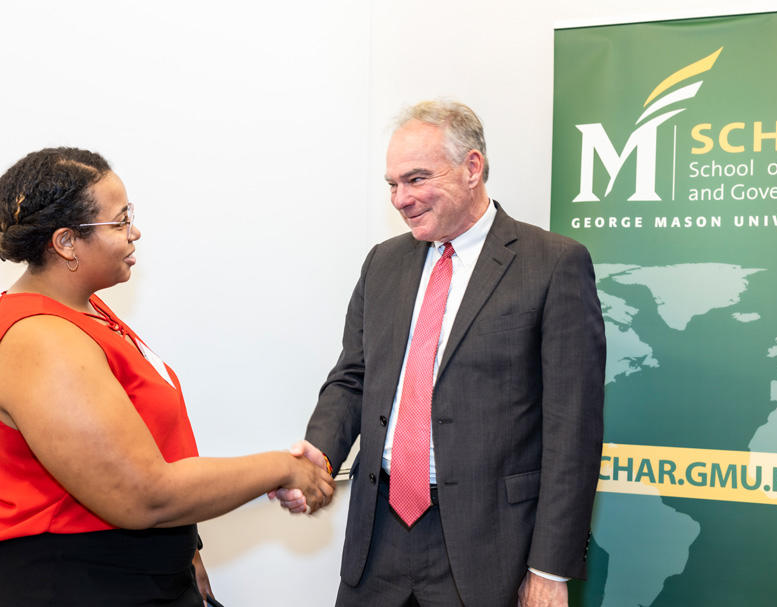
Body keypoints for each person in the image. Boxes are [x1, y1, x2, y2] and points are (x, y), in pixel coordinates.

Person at [278, 100, 605, 606]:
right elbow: (353, 377)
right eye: (392, 184)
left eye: (416, 179)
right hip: (376, 539)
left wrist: (550, 568)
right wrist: (318, 456)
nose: (401, 199)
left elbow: (573, 429)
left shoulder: (553, 264)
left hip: (490, 546)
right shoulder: (383, 263)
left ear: (472, 168)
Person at [0, 148, 334, 606]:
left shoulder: (88, 311)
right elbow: (142, 495)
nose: (134, 232)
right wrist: (281, 467)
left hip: (142, 571)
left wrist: (186, 551)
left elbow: (147, 448)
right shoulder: (40, 338)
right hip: (79, 582)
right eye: (119, 222)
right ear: (66, 242)